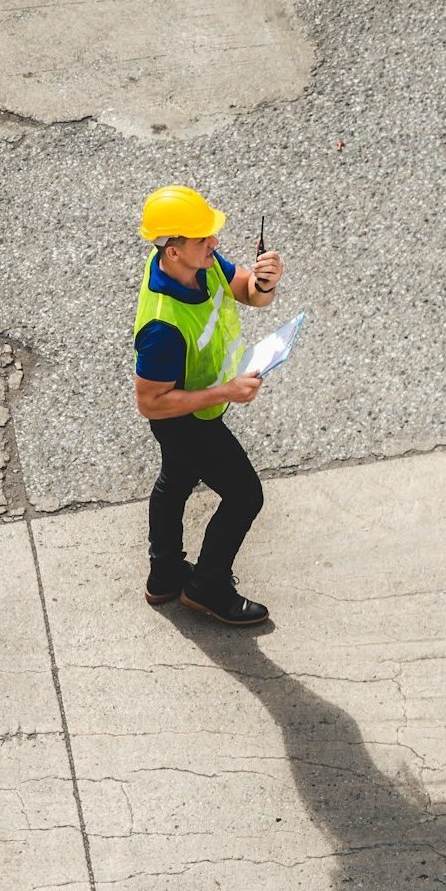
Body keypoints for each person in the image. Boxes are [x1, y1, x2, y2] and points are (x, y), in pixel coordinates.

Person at [131, 185, 284, 625]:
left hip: (203, 406)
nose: (214, 243)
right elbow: (151, 403)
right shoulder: (162, 327)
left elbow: (247, 292)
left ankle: (164, 577)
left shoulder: (201, 261)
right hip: (186, 419)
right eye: (203, 239)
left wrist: (264, 284)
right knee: (244, 496)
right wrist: (225, 392)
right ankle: (207, 587)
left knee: (175, 480)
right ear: (172, 250)